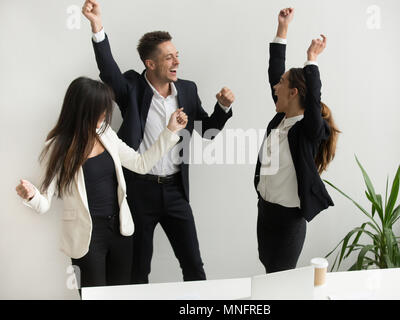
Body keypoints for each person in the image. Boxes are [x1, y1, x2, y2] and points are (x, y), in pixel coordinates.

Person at [82, 0, 235, 284]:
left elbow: (207, 130)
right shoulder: (131, 87)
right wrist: (97, 26)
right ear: (150, 64)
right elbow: (108, 71)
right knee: (138, 269)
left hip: (176, 190)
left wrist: (222, 108)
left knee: (193, 264)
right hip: (140, 191)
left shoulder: (187, 90)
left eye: (177, 55)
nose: (177, 61)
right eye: (169, 57)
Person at [15, 77, 187, 290]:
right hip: (86, 237)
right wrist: (31, 196)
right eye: (100, 110)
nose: (105, 115)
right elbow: (44, 204)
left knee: (121, 295)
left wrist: (170, 131)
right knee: (93, 297)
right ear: (82, 110)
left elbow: (140, 164)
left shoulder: (105, 133)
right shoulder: (58, 146)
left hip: (120, 231)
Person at [254, 8, 340, 273]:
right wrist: (282, 29)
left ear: (292, 93)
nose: (274, 87)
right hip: (265, 211)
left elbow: (313, 101)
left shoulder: (308, 130)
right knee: (269, 268)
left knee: (280, 277)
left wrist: (311, 59)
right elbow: (274, 70)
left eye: (280, 84)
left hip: (288, 220)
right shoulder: (279, 120)